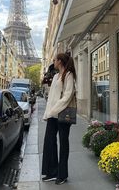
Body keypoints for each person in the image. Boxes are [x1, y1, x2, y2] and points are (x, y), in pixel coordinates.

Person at [42, 53, 76, 185]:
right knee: (49, 142)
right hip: (52, 115)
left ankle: (62, 175)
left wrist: (53, 110)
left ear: (60, 61)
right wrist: (47, 114)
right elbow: (51, 98)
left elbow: (67, 96)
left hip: (63, 114)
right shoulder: (56, 76)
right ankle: (52, 172)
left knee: (63, 144)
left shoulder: (69, 75)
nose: (53, 62)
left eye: (55, 60)